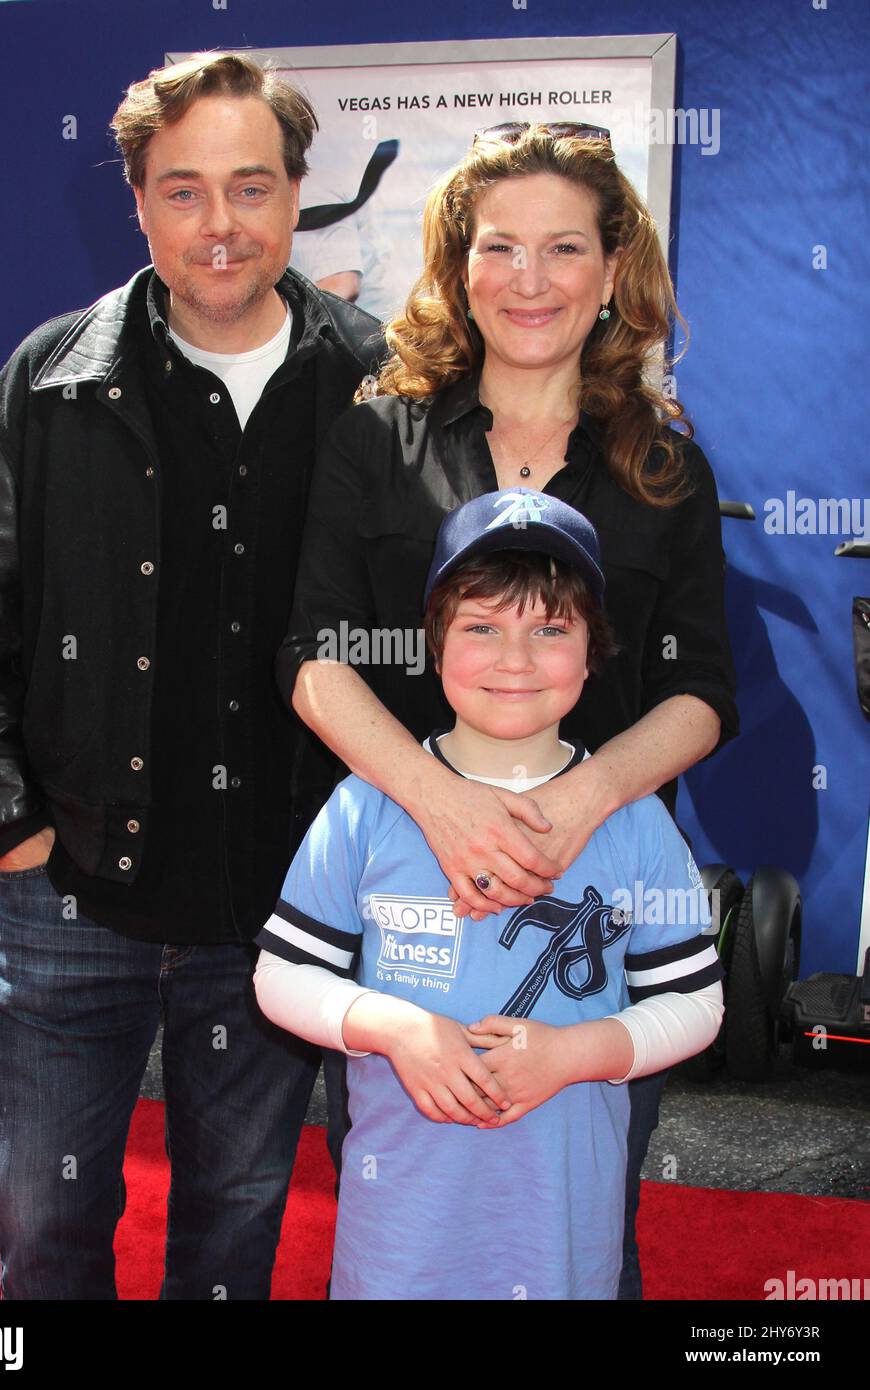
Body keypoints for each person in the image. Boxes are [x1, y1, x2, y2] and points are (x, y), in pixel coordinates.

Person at [0, 51, 381, 1300]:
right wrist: (10, 832)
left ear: (297, 192)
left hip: (278, 904)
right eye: (182, 191)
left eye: (248, 186)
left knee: (233, 1231)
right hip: (73, 895)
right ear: (136, 201)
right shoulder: (47, 380)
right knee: (46, 1231)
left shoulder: (380, 388)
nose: (218, 226)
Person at [276, 121, 738, 1297]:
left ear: (610, 271)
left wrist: (583, 800)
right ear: (456, 264)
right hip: (403, 890)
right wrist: (441, 807)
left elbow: (701, 692)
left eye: (563, 248)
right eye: (498, 248)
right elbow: (315, 660)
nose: (527, 279)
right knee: (402, 1206)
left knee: (581, 1218)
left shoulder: (661, 465)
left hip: (590, 887)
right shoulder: (374, 441)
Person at [255, 489, 724, 1299]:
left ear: (591, 653)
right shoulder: (368, 803)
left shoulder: (635, 821)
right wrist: (396, 1028)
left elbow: (695, 1002)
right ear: (436, 646)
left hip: (559, 1226)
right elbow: (280, 976)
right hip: (398, 1224)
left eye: (550, 629)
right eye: (481, 628)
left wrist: (572, 1055)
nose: (516, 660)